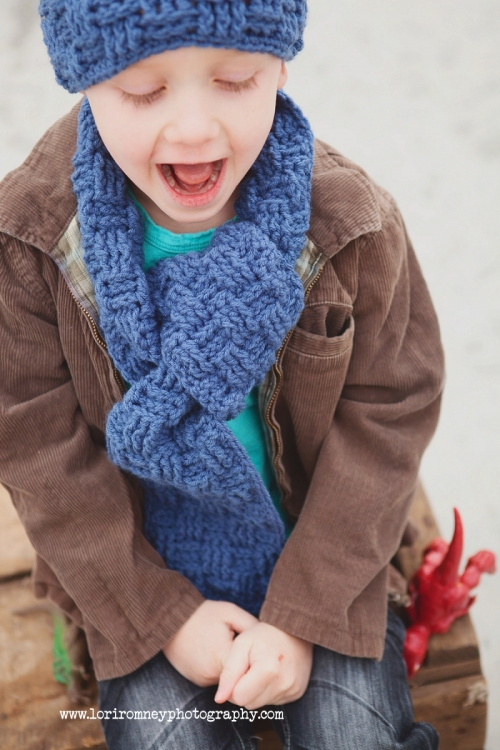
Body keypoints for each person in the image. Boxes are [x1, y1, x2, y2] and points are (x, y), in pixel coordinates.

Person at [0, 1, 444, 748]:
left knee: (354, 733)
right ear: (84, 79)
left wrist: (305, 614)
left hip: (323, 557)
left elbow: (391, 407)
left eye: (236, 81)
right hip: (135, 576)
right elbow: (38, 449)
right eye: (143, 91)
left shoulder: (349, 227)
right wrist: (162, 617)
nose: (194, 129)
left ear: (279, 66)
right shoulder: (31, 243)